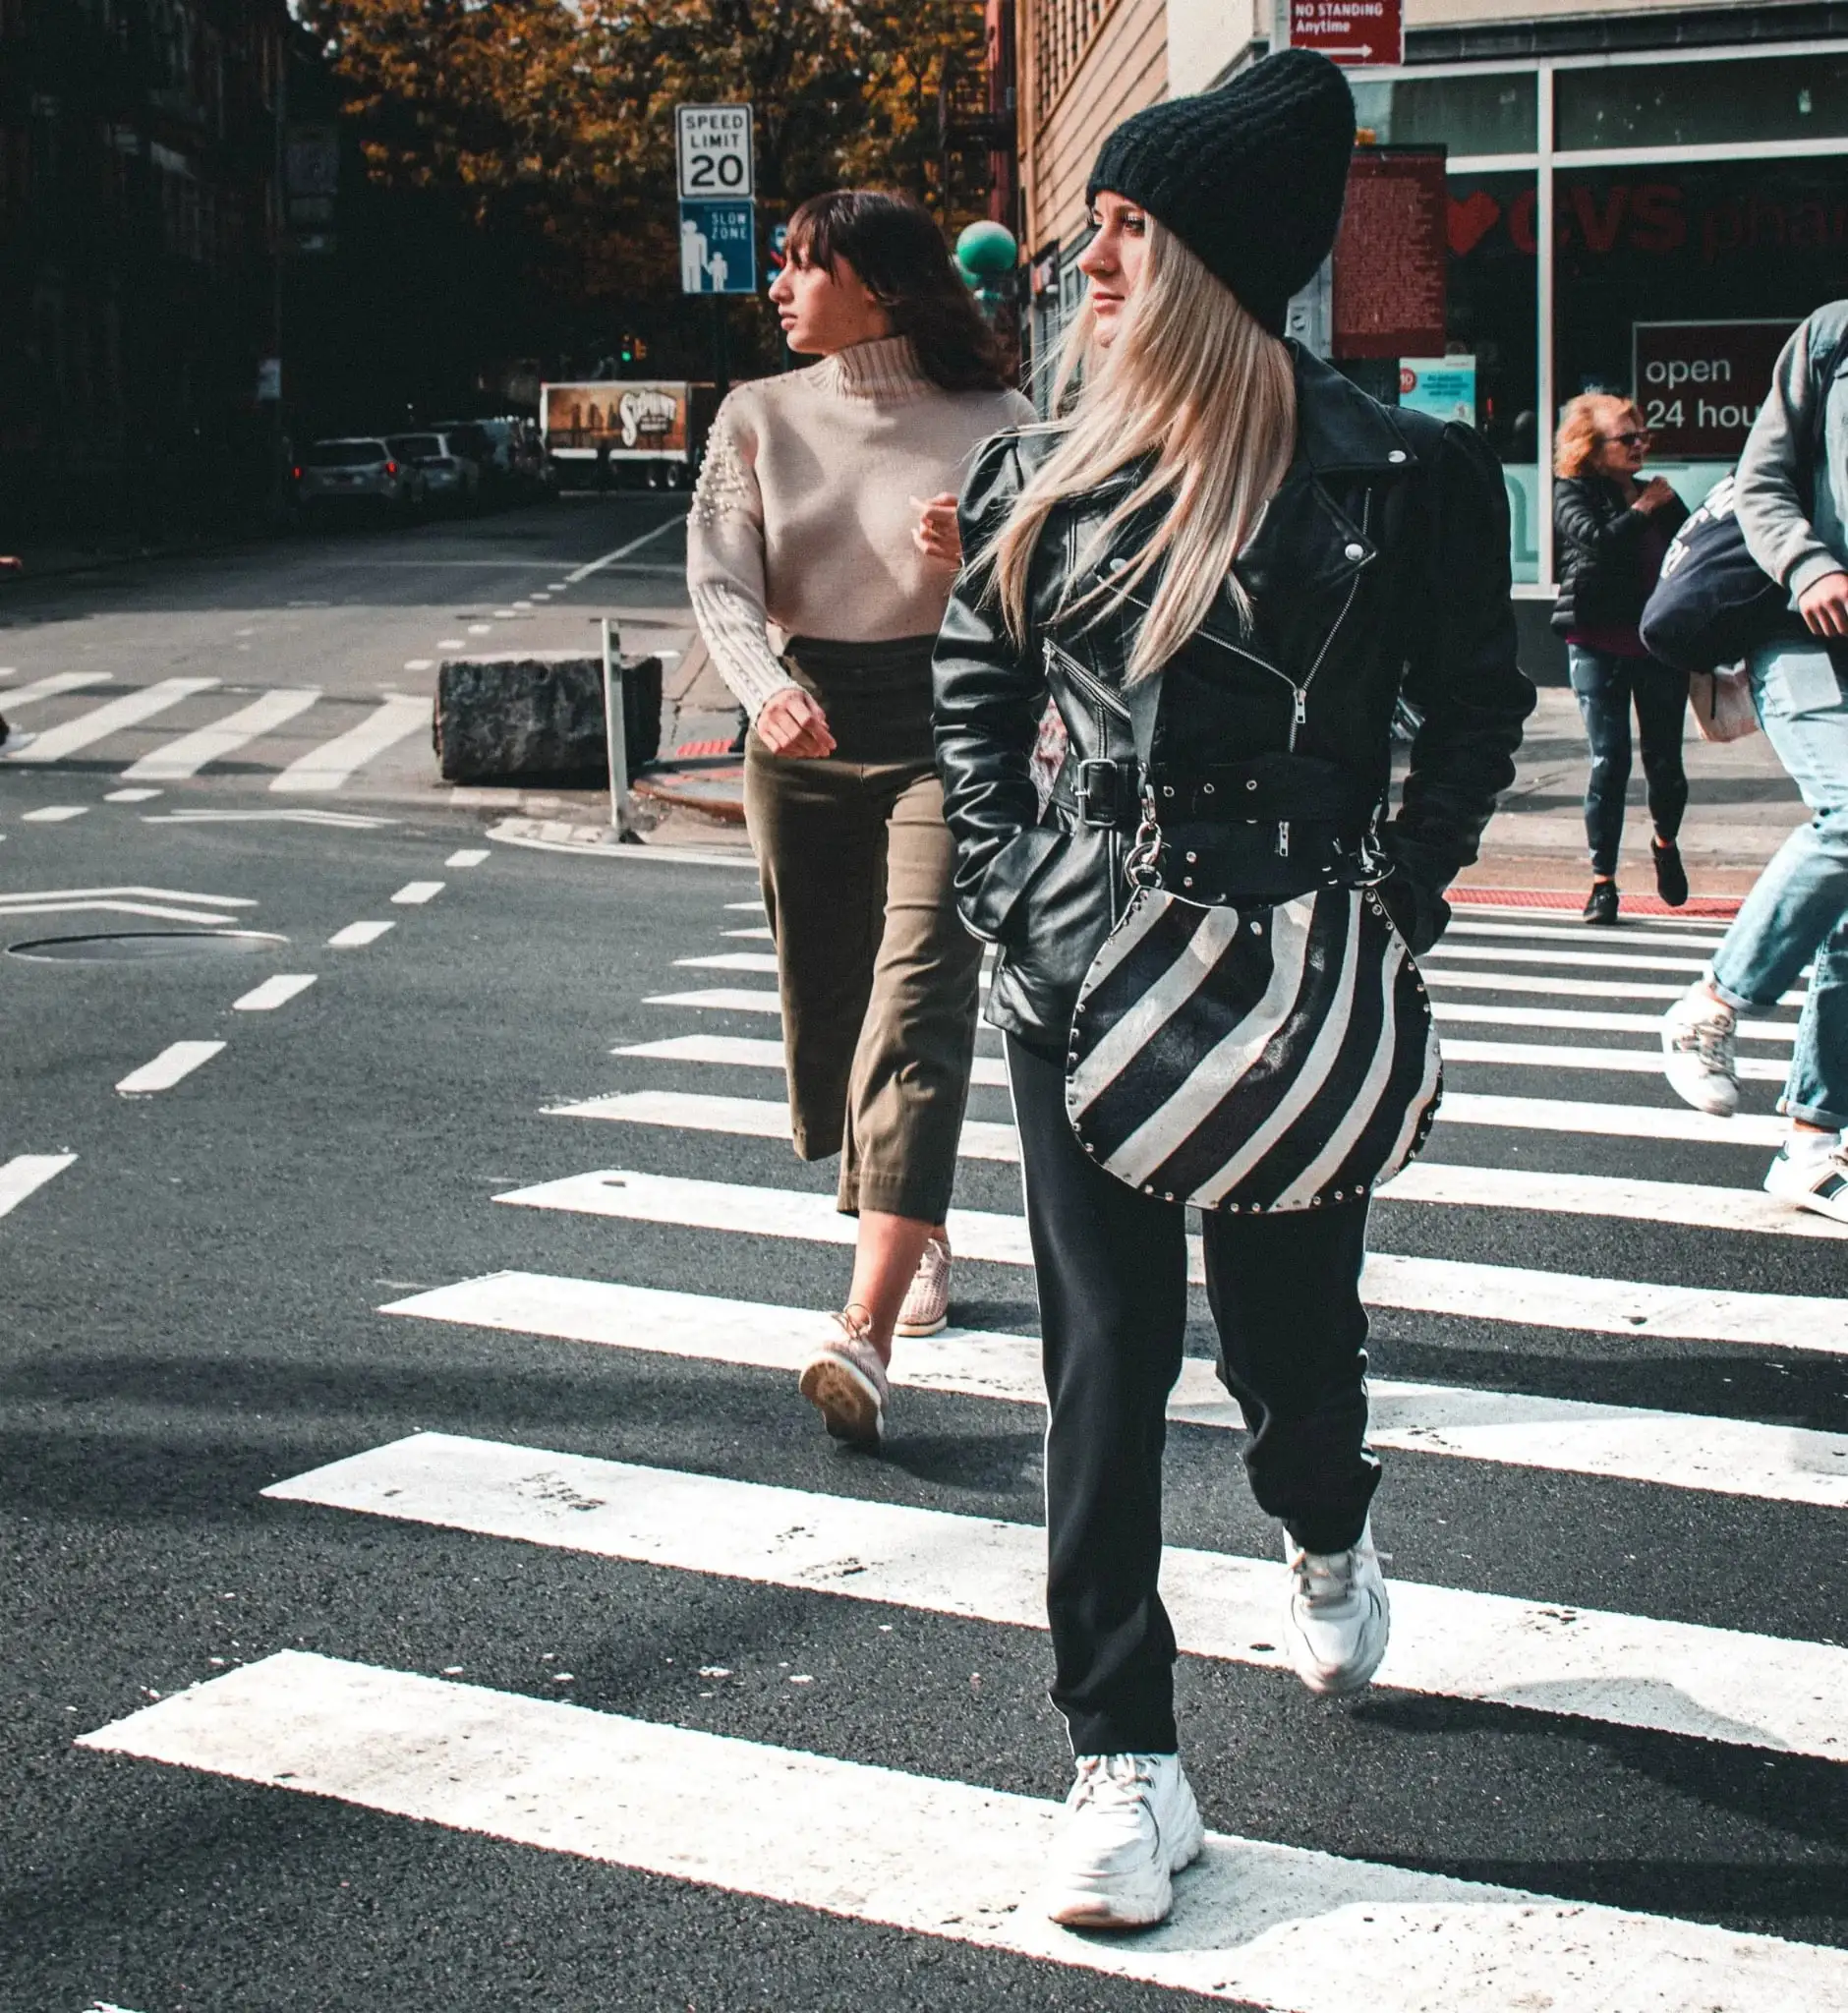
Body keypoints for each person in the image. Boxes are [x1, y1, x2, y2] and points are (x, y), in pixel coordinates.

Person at [933, 49, 1533, 1931]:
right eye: (1093, 228)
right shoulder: (1042, 469)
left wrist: (1402, 895)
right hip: (1089, 963)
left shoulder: (1406, 474)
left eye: (1123, 228)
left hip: (1297, 967)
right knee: (1105, 1354)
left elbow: (1480, 706)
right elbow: (973, 694)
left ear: (1205, 256)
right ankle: (1121, 1752)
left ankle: (1327, 1528)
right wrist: (1024, 903)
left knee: (1289, 1352)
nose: (1088, 263)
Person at [686, 190, 1033, 1446]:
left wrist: (982, 559)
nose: (777, 286)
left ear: (877, 284)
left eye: (801, 265)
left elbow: (1061, 591)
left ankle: (864, 1326)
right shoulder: (756, 414)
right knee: (830, 1012)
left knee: (918, 1000)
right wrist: (764, 688)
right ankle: (911, 1203)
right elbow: (719, 579)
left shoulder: (1001, 422)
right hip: (804, 732)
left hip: (950, 730)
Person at [1660, 299, 1848, 1221]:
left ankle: (1812, 1142)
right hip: (1804, 631)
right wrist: (1809, 564)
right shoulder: (1832, 338)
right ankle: (1714, 1000)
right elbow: (1762, 482)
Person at [1551, 395, 1692, 923]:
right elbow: (1595, 541)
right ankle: (1603, 883)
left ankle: (1665, 843)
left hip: (1658, 644)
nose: (1639, 446)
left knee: (1665, 763)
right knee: (1609, 761)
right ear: (1591, 446)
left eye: (1642, 437)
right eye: (1626, 438)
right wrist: (1641, 510)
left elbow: (1692, 554)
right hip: (1596, 640)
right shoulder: (1573, 491)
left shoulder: (1660, 496)